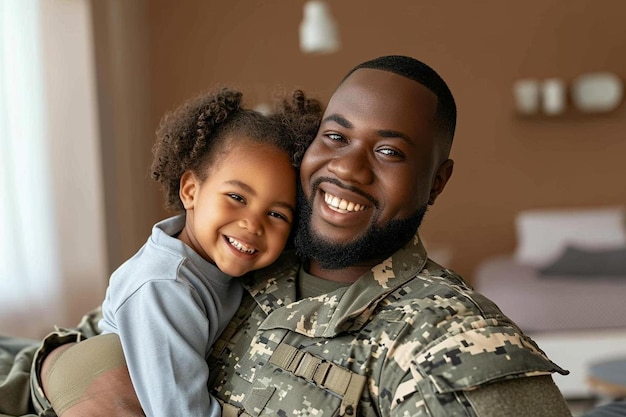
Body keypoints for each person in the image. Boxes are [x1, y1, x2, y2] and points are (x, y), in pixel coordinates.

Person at [0, 55, 575, 416]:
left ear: (437, 180)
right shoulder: (252, 256)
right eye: (336, 136)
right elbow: (110, 322)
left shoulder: (447, 348)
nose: (347, 169)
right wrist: (76, 372)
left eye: (390, 151)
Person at [38, 86, 318, 417]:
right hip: (91, 383)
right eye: (237, 198)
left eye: (276, 214)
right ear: (190, 191)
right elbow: (180, 411)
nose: (253, 225)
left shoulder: (221, 263)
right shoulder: (165, 288)